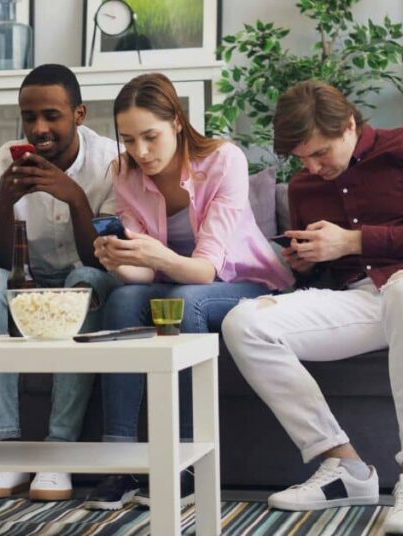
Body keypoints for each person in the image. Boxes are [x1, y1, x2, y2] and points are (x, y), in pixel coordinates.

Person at [221, 80, 403, 536]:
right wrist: (304, 265)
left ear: (348, 124)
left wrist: (355, 240)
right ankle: (344, 468)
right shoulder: (306, 186)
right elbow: (330, 274)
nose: (311, 167)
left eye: (320, 152)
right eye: (302, 158)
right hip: (368, 298)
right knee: (244, 322)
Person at [82, 73, 293, 510]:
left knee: (185, 300)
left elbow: (204, 270)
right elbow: (142, 279)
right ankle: (119, 459)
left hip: (240, 282)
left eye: (150, 137)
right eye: (128, 140)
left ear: (177, 121)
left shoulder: (223, 161)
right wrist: (120, 260)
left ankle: (183, 462)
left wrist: (152, 255)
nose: (140, 152)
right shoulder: (124, 173)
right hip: (171, 281)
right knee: (122, 298)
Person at [0, 64, 121, 502]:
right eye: (29, 116)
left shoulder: (109, 162)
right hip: (27, 278)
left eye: (51, 115)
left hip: (89, 270)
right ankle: (7, 449)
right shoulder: (4, 161)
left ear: (79, 114)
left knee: (84, 279)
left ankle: (58, 452)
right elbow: (2, 260)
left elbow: (102, 259)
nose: (39, 129)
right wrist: (1, 204)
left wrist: (72, 195)